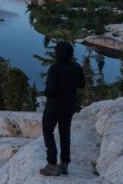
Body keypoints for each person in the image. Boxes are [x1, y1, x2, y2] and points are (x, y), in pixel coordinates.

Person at [40, 40, 84, 176]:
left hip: (53, 107)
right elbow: (81, 84)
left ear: (58, 53)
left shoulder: (54, 68)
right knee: (65, 134)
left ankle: (52, 164)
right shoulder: (76, 66)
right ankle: (64, 164)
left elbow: (51, 91)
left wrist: (45, 92)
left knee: (48, 131)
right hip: (69, 107)